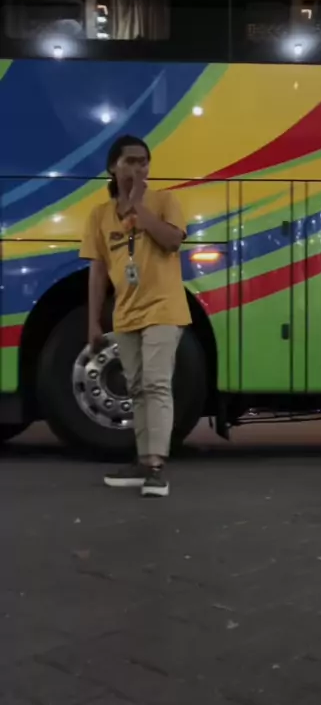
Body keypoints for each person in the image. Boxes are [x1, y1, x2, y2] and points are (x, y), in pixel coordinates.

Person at [80, 134, 191, 497]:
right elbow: (98, 271)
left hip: (164, 308)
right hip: (126, 314)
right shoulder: (99, 215)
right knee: (138, 388)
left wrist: (139, 207)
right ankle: (143, 460)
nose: (138, 167)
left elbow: (172, 241)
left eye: (144, 162)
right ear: (112, 167)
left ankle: (156, 466)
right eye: (130, 161)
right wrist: (93, 321)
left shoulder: (164, 201)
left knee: (157, 383)